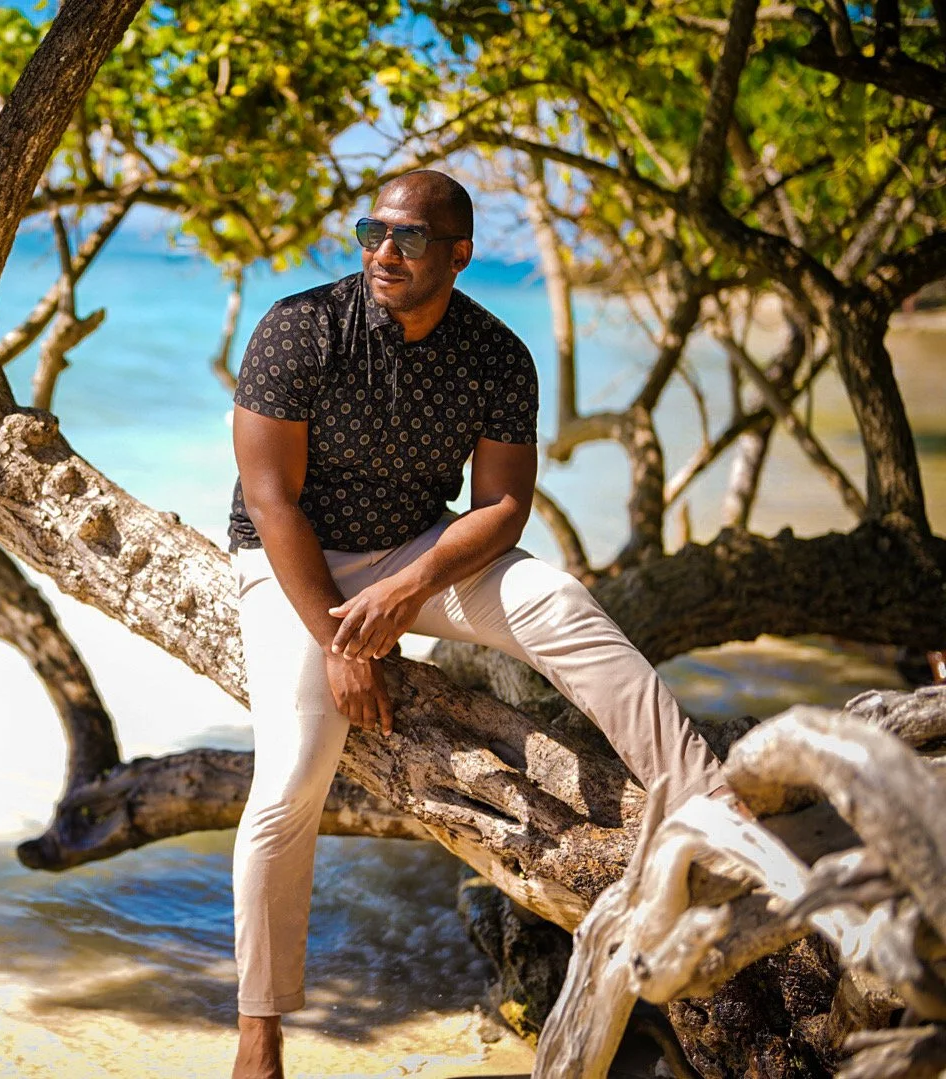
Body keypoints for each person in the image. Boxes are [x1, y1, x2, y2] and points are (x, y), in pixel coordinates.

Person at [225, 170, 732, 1079]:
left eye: (409, 238)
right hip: (291, 559)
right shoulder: (300, 329)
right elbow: (271, 503)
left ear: (459, 255)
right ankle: (259, 1038)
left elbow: (502, 507)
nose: (383, 251)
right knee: (291, 784)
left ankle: (710, 804)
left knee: (562, 602)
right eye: (370, 231)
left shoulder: (497, 356)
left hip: (420, 556)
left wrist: (406, 587)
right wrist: (342, 640)